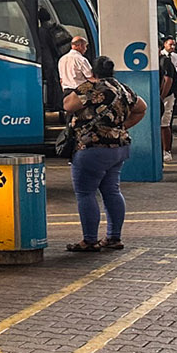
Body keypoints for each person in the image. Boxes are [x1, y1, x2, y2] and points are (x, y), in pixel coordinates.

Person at [61, 56, 145, 253]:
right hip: (118, 147)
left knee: (86, 192)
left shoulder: (90, 88)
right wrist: (122, 126)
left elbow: (68, 105)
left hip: (91, 148)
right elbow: (141, 108)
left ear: (93, 73)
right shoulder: (124, 89)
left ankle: (89, 240)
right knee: (112, 191)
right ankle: (114, 237)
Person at [158, 38, 177, 163]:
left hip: (167, 96)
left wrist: (162, 96)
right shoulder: (156, 60)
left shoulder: (165, 61)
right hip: (161, 95)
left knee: (164, 123)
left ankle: (167, 151)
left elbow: (168, 80)